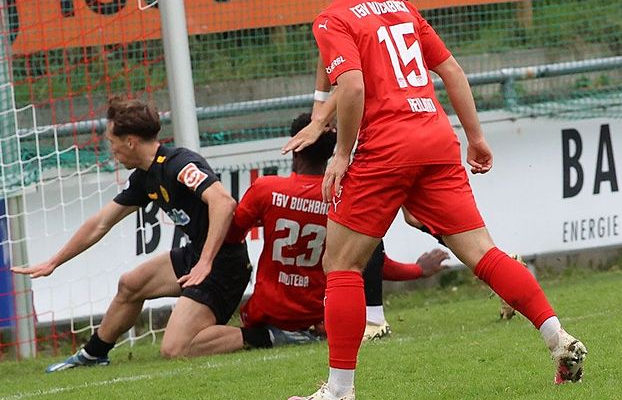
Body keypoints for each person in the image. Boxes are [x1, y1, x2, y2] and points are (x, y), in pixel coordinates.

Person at [285, 0, 587, 400]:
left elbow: (352, 86)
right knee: (484, 253)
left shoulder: (333, 17)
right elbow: (451, 70)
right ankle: (559, 339)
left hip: (386, 148)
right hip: (435, 138)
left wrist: (341, 153)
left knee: (341, 264)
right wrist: (476, 138)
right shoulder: (401, 8)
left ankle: (338, 391)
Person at [13, 97, 252, 371]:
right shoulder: (144, 176)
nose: (111, 149)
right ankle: (93, 355)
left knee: (175, 349)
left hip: (224, 267)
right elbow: (100, 223)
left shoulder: (180, 164)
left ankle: (264, 335)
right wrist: (54, 262)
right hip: (197, 256)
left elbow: (224, 202)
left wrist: (206, 262)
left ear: (130, 142)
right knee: (131, 284)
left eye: (111, 141)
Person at [186, 114, 448, 357]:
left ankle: (269, 336)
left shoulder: (265, 190)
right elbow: (368, 262)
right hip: (318, 316)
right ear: (332, 152)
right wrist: (417, 270)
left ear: (294, 148)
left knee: (187, 343)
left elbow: (231, 236)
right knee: (364, 248)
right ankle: (365, 321)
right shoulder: (343, 197)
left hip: (268, 312)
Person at [286, 0, 409, 341]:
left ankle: (372, 316)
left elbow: (358, 75)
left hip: (383, 120)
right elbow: (335, 51)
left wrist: (326, 120)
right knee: (390, 215)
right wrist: (320, 106)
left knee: (362, 214)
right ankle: (499, 264)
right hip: (370, 114)